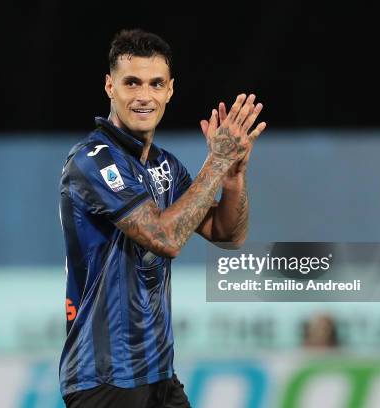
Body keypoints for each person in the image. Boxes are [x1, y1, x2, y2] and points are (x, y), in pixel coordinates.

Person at [58, 28, 266, 408]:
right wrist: (216, 162)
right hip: (103, 377)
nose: (144, 96)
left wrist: (233, 177)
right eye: (131, 82)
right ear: (110, 86)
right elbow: (164, 238)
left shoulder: (165, 166)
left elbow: (227, 234)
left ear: (170, 90)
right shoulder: (93, 159)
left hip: (159, 375)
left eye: (156, 84)